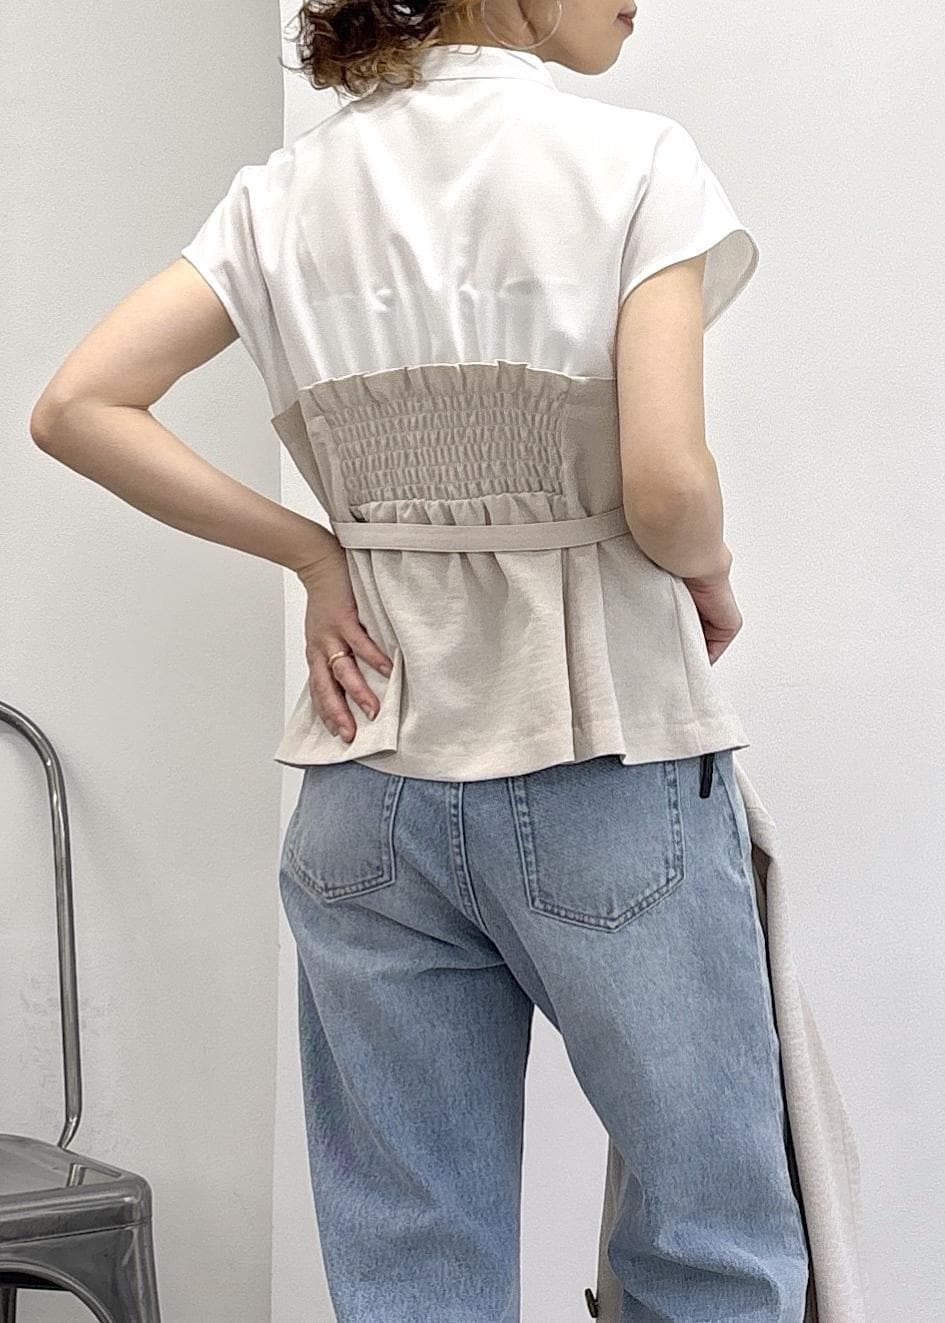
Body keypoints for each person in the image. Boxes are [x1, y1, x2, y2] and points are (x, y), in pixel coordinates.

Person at [28, 1, 817, 1320]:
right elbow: (667, 485)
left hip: (368, 779)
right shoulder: (635, 165)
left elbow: (77, 407)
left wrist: (313, 552)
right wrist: (711, 570)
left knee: (411, 1265)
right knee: (710, 1240)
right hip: (603, 756)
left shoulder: (284, 196)